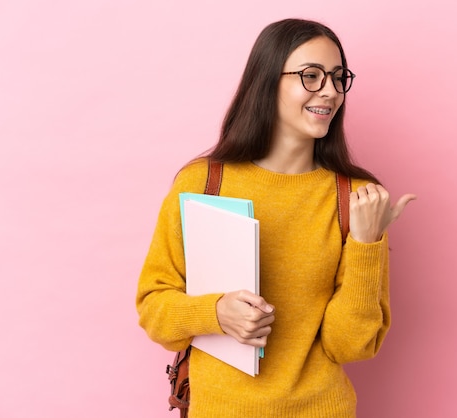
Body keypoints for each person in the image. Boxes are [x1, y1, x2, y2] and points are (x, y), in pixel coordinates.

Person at [136, 18, 416, 417]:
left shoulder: (354, 196)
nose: (331, 92)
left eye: (338, 78)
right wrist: (215, 313)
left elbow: (349, 345)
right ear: (267, 81)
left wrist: (365, 244)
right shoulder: (202, 182)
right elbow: (154, 309)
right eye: (312, 76)